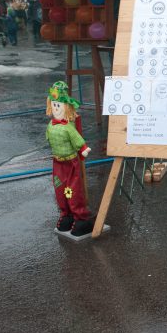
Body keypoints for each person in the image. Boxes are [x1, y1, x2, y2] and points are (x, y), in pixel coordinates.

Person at [46, 81, 94, 237]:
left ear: (66, 107)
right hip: (57, 163)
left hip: (71, 163)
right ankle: (66, 213)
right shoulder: (51, 125)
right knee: (60, 189)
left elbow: (77, 139)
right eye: (54, 105)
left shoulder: (68, 126)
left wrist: (83, 149)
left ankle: (81, 216)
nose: (56, 108)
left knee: (72, 190)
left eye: (58, 105)